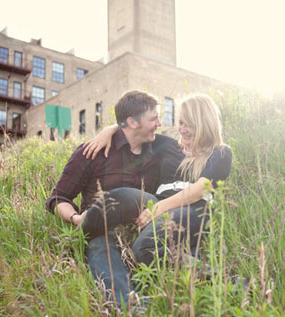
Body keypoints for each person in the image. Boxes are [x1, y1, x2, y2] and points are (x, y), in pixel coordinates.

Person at [77, 94, 232, 283]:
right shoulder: (169, 145)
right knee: (117, 197)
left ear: (202, 122)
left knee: (144, 249)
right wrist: (109, 130)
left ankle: (223, 280)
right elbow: (133, 129)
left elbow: (201, 189)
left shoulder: (220, 152)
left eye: (187, 124)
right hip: (157, 202)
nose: (181, 129)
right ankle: (80, 232)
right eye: (180, 123)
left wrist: (159, 209)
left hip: (194, 209)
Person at [45, 90, 180, 307]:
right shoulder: (93, 151)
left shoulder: (161, 147)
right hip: (100, 226)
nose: (159, 123)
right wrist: (77, 219)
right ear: (132, 123)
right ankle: (132, 307)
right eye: (153, 118)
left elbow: (195, 146)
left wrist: (113, 128)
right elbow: (58, 197)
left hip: (143, 225)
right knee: (99, 246)